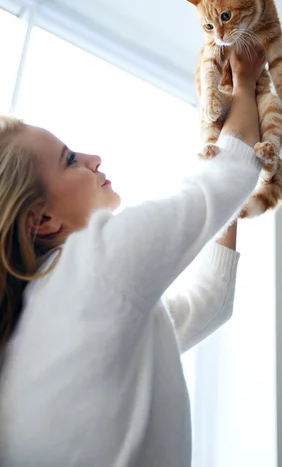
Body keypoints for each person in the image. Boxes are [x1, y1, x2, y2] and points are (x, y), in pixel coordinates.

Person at [0, 49, 265, 467]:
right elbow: (232, 172)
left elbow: (209, 303)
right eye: (70, 160)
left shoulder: (56, 315)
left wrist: (222, 182)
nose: (93, 159)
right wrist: (247, 82)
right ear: (42, 219)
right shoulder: (93, 266)